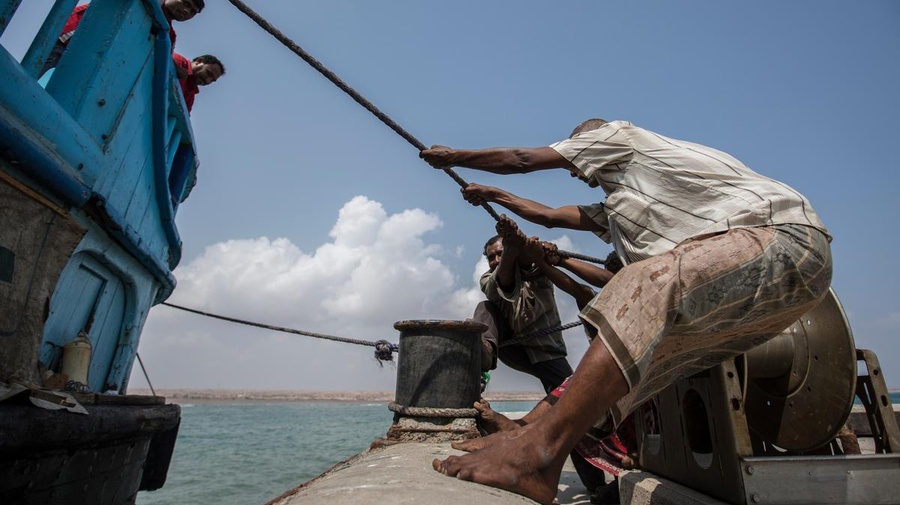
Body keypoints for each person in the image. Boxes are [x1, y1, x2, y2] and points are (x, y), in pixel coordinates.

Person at [420, 118, 833, 505]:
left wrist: (455, 157)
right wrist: (494, 196)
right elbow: (547, 216)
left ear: (590, 141)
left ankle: (538, 455)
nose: (574, 171)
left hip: (784, 240)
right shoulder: (620, 208)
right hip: (768, 294)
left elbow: (524, 160)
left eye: (577, 157)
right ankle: (525, 434)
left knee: (646, 283)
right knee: (643, 369)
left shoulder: (621, 136)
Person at [474, 215, 576, 394]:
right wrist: (511, 249)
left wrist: (539, 250)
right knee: (486, 307)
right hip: (512, 347)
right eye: (491, 257)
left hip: (545, 350)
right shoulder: (487, 278)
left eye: (500, 253)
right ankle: (483, 355)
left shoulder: (538, 271)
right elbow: (499, 285)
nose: (496, 260)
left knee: (571, 396)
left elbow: (528, 264)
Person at [42, 0, 204, 74]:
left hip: (97, 61)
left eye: (192, 12)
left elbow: (161, 63)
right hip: (74, 37)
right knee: (33, 71)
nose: (185, 11)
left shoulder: (168, 35)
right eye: (185, 3)